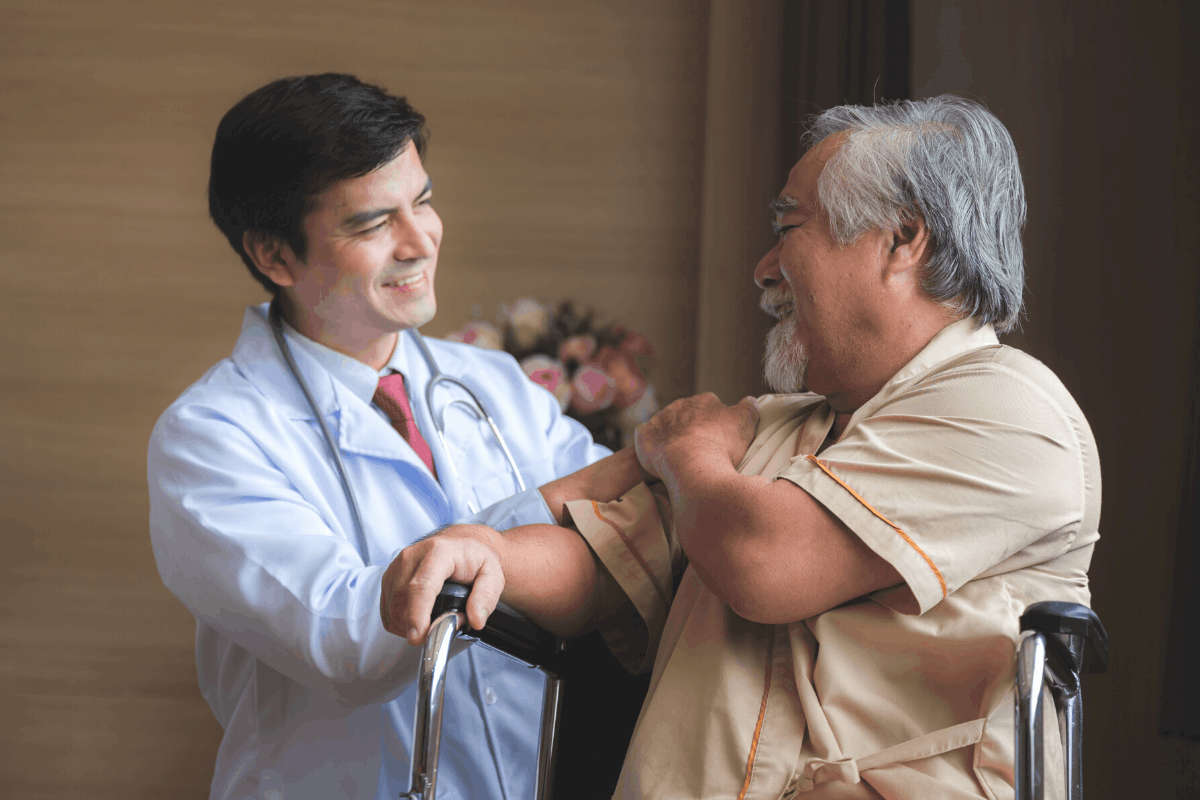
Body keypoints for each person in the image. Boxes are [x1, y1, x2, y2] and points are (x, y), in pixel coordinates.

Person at [386, 95, 1100, 799]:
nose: (763, 267)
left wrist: (687, 454)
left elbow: (764, 560)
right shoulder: (769, 429)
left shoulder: (1008, 410)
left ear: (901, 241)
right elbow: (599, 565)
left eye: (789, 227)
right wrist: (491, 556)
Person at [147, 73, 648, 800]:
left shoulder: (493, 383)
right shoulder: (212, 437)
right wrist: (547, 507)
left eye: (423, 201)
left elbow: (620, 541)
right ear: (274, 256)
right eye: (373, 224)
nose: (420, 242)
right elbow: (350, 642)